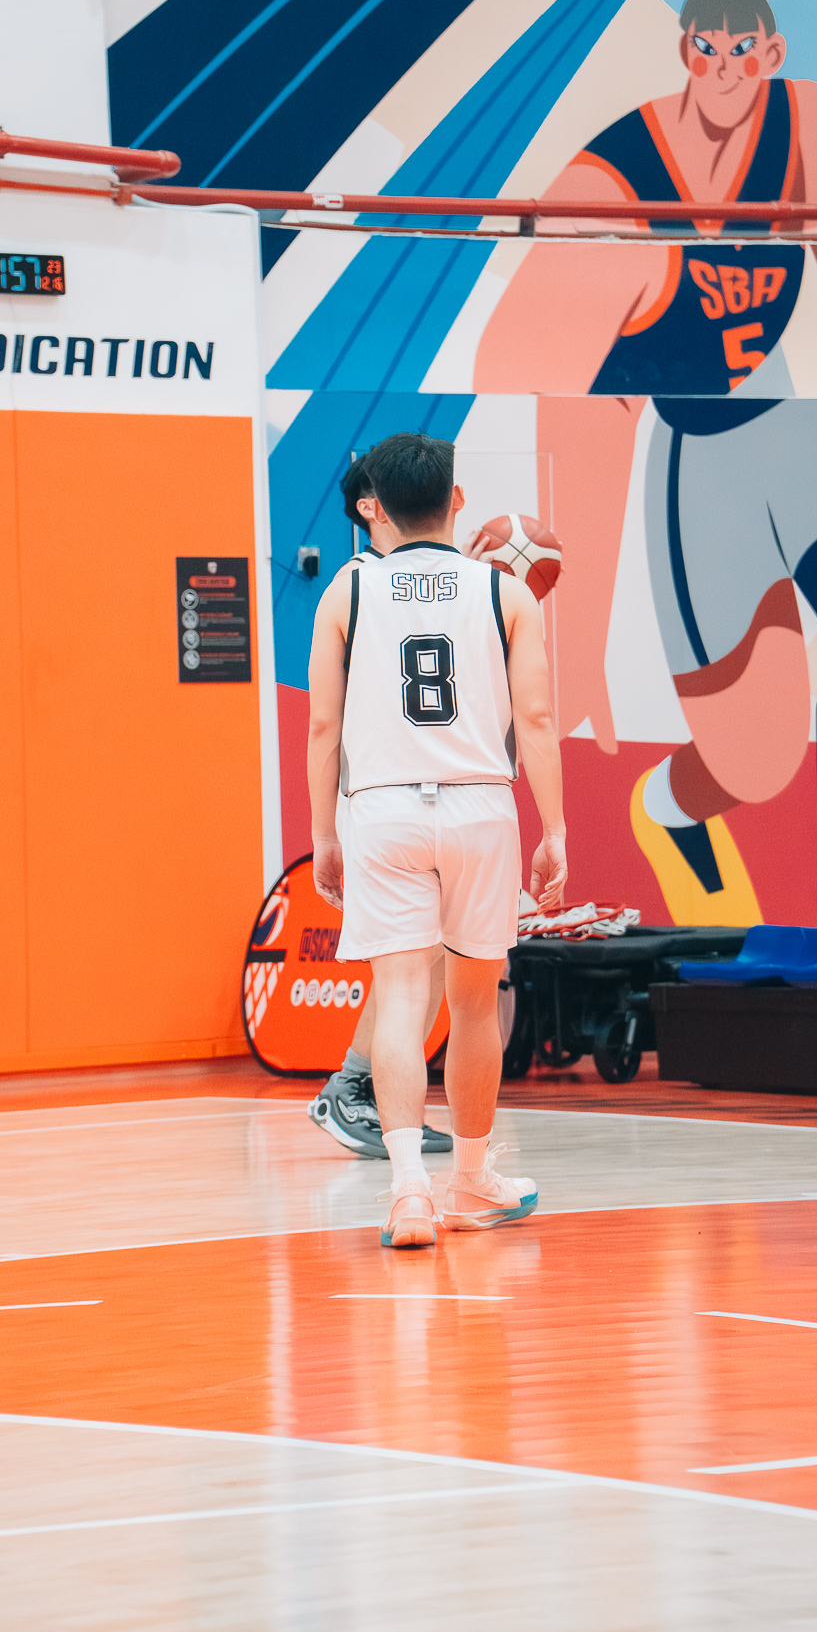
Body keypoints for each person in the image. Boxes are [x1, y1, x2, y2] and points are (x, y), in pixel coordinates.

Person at [475, 0, 817, 923]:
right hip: (701, 466)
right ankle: (666, 808)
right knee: (759, 759)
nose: (725, 69)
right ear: (683, 50)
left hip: (815, 437)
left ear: (771, 54)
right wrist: (579, 638)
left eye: (743, 50)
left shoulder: (805, 120)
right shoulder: (611, 193)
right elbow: (567, 410)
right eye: (707, 49)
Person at [307, 431, 567, 1248]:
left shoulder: (347, 590)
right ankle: (474, 1180)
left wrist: (323, 833)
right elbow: (536, 719)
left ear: (375, 507)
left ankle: (409, 1193)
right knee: (474, 1002)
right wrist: (555, 830)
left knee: (399, 998)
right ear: (457, 500)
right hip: (480, 806)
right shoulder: (506, 593)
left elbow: (322, 727)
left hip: (383, 810)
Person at [308, 452, 453, 1160]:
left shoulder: (436, 582)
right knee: (411, 965)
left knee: (434, 961)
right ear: (371, 506)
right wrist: (324, 832)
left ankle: (365, 1089)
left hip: (443, 797)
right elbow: (323, 722)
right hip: (387, 798)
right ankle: (353, 1086)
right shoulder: (359, 584)